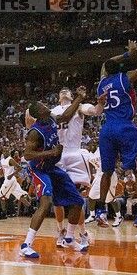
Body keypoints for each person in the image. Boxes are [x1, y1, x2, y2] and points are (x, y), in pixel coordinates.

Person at [96, 40, 137, 239]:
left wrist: (123, 56)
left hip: (107, 129)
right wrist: (135, 53)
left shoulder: (101, 83)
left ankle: (100, 209)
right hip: (125, 127)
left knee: (107, 171)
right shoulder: (125, 78)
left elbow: (106, 64)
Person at [19, 101, 86, 258]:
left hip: (52, 168)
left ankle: (69, 238)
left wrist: (78, 98)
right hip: (39, 170)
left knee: (77, 201)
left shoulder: (51, 119)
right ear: (38, 113)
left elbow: (66, 116)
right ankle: (26, 245)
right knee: (46, 202)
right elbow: (27, 155)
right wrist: (51, 153)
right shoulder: (35, 132)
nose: (45, 106)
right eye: (42, 106)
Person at [49, 86, 105, 245]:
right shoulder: (52, 111)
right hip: (57, 155)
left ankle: (82, 232)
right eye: (61, 91)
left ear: (72, 95)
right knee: (57, 201)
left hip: (74, 153)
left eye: (67, 90)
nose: (64, 91)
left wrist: (100, 104)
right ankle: (61, 231)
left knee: (76, 198)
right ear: (58, 97)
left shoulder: (79, 106)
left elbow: (94, 111)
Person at [0, 148, 31, 220]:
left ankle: (4, 213)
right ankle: (31, 208)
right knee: (19, 196)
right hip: (9, 180)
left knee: (1, 196)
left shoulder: (10, 160)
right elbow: (4, 170)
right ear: (3, 152)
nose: (6, 152)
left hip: (10, 180)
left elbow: (19, 167)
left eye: (8, 151)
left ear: (9, 152)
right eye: (5, 151)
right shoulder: (2, 160)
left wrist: (11, 175)